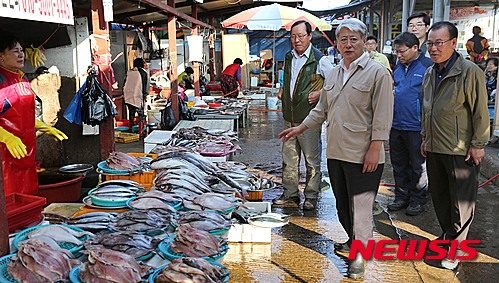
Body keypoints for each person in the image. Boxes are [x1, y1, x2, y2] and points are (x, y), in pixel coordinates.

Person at [279, 18, 393, 278]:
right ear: (337, 44)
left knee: (361, 209)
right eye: (343, 39)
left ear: (364, 42)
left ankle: (360, 254)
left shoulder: (377, 73)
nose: (348, 44)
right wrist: (300, 128)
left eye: (354, 39)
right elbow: (321, 110)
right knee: (343, 205)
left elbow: (383, 115)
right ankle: (353, 240)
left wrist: (376, 147)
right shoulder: (334, 72)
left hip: (364, 153)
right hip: (337, 151)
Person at [421, 21, 489, 270]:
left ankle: (458, 248)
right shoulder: (430, 72)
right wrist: (424, 137)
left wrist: (478, 144)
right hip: (435, 146)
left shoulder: (469, 71)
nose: (433, 48)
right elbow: (426, 110)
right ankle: (449, 236)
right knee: (439, 197)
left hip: (461, 149)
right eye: (430, 43)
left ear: (453, 43)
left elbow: (481, 111)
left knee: (461, 202)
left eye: (439, 43)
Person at [272, 20, 332, 211]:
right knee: (289, 158)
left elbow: (336, 85)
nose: (296, 40)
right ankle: (290, 195)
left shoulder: (320, 59)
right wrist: (283, 89)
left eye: (301, 36)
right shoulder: (289, 57)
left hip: (309, 119)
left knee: (311, 160)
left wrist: (320, 93)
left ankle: (311, 196)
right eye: (293, 36)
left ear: (309, 36)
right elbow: (289, 79)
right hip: (289, 117)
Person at [0, 33, 68, 196]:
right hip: (5, 159)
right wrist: (6, 137)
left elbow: (21, 115)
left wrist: (42, 126)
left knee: (30, 198)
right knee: (11, 204)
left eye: (21, 50)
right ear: (1, 56)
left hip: (27, 155)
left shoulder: (24, 82)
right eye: (15, 51)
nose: (21, 54)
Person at [387, 32, 433, 216]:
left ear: (415, 48)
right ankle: (401, 196)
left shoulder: (427, 67)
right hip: (396, 125)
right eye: (396, 51)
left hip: (417, 126)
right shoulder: (398, 67)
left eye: (402, 51)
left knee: (418, 166)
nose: (398, 55)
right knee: (398, 164)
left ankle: (418, 199)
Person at [123, 57, 149, 135]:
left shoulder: (129, 72)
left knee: (131, 113)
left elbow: (125, 83)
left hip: (127, 96)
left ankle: (131, 129)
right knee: (141, 114)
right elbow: (145, 86)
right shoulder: (143, 73)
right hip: (137, 96)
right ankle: (140, 131)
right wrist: (145, 95)